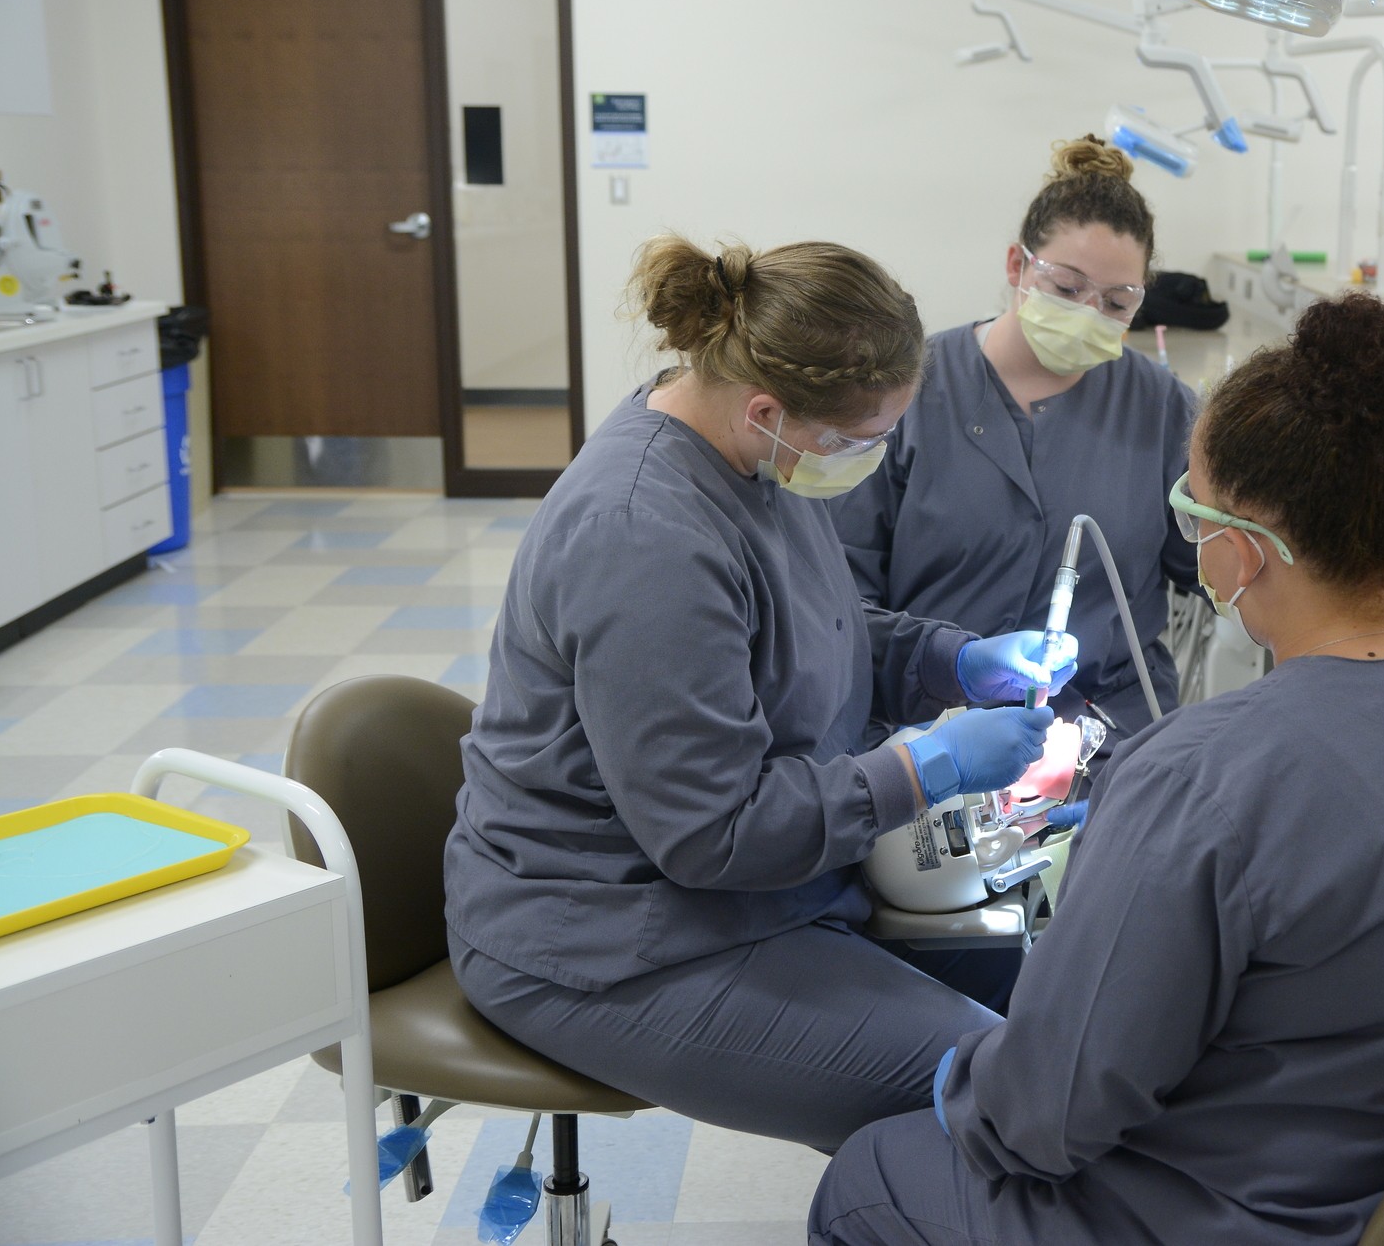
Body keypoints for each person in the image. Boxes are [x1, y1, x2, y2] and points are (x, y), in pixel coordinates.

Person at [810, 293, 1384, 1246]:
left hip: (1232, 1219)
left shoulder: (1199, 780)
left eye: (1191, 509)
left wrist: (963, 1075)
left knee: (870, 1176)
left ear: (1250, 545)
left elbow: (1041, 1120)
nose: (1189, 538)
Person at [443, 235, 1081, 1154]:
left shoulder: (750, 457)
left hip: (740, 893)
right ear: (769, 408)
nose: (872, 455)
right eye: (862, 439)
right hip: (608, 940)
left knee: (1030, 993)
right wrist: (922, 766)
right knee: (994, 1090)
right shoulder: (644, 535)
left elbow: (817, 624)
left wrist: (957, 660)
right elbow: (713, 830)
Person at [827, 137, 1384, 744]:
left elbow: (1232, 553)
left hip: (1103, 732)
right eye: (1066, 288)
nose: (1090, 313)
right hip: (934, 726)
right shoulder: (911, 396)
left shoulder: (1161, 408)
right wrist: (955, 669)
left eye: (1117, 302)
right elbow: (840, 609)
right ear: (1016, 266)